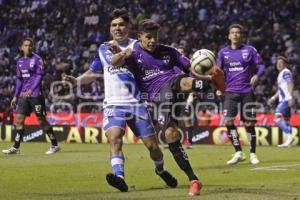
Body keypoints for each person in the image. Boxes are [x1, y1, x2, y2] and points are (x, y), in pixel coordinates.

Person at [64, 8, 177, 192]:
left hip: (138, 104)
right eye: (114, 25)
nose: (118, 28)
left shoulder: (139, 46)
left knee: (153, 146)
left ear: (129, 27)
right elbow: (93, 72)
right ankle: (119, 178)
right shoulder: (103, 48)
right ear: (110, 28)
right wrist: (77, 80)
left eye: (121, 25)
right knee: (115, 139)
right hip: (113, 104)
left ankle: (161, 170)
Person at [111, 19, 226, 196]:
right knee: (170, 135)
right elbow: (114, 63)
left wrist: (203, 73)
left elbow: (190, 68)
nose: (152, 41)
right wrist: (122, 53)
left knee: (182, 80)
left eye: (155, 37)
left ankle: (213, 82)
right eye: (148, 37)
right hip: (158, 99)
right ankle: (194, 180)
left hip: (174, 86)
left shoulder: (169, 51)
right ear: (140, 37)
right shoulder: (133, 55)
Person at [216, 24, 265, 165]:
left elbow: (261, 65)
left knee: (249, 123)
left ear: (241, 35)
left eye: (238, 33)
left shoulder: (250, 50)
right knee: (228, 122)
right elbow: (218, 71)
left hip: (247, 91)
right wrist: (219, 85)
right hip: (230, 92)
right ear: (229, 36)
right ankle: (238, 152)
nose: (235, 35)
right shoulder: (223, 52)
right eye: (233, 33)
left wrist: (257, 75)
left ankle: (253, 154)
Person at [2, 38, 60, 155]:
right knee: (19, 119)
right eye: (26, 45)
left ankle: (54, 145)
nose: (28, 47)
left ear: (33, 47)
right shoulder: (19, 62)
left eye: (30, 45)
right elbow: (19, 80)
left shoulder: (37, 59)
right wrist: (16, 96)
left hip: (35, 95)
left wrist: (31, 90)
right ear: (22, 47)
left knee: (41, 119)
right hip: (23, 95)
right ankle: (16, 147)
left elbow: (39, 77)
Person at [268, 56, 294, 147]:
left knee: (277, 118)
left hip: (285, 100)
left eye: (281, 63)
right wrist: (273, 98)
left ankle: (290, 137)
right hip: (284, 99)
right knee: (287, 120)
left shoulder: (285, 72)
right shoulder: (281, 74)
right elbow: (280, 89)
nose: (278, 64)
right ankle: (289, 141)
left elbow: (290, 83)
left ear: (285, 64)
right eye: (277, 63)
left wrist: (290, 96)